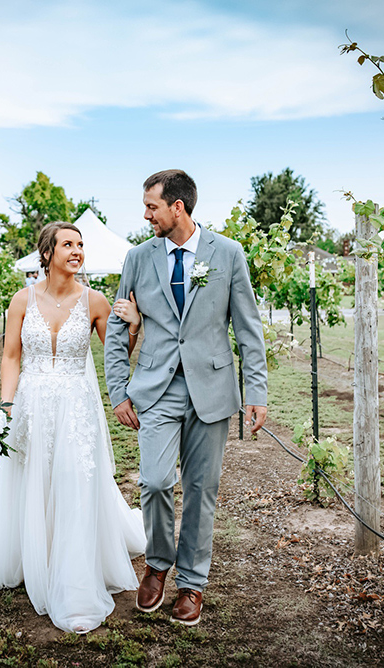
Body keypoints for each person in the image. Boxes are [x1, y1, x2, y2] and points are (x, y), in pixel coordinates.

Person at [104, 169, 268, 626]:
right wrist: (118, 391)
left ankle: (192, 584)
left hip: (212, 391)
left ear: (178, 207)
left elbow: (248, 330)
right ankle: (157, 564)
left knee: (201, 490)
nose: (145, 214)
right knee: (155, 481)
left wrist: (256, 391)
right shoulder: (138, 257)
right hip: (155, 388)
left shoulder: (228, 253)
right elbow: (119, 328)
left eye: (152, 206)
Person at [0, 222, 145, 634]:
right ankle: (37, 556)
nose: (77, 251)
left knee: (73, 481)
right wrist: (7, 403)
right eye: (68, 244)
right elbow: (11, 357)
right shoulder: (22, 299)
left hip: (77, 407)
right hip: (32, 405)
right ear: (48, 252)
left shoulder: (96, 301)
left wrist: (135, 327)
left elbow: (115, 355)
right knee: (33, 478)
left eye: (81, 244)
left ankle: (73, 576)